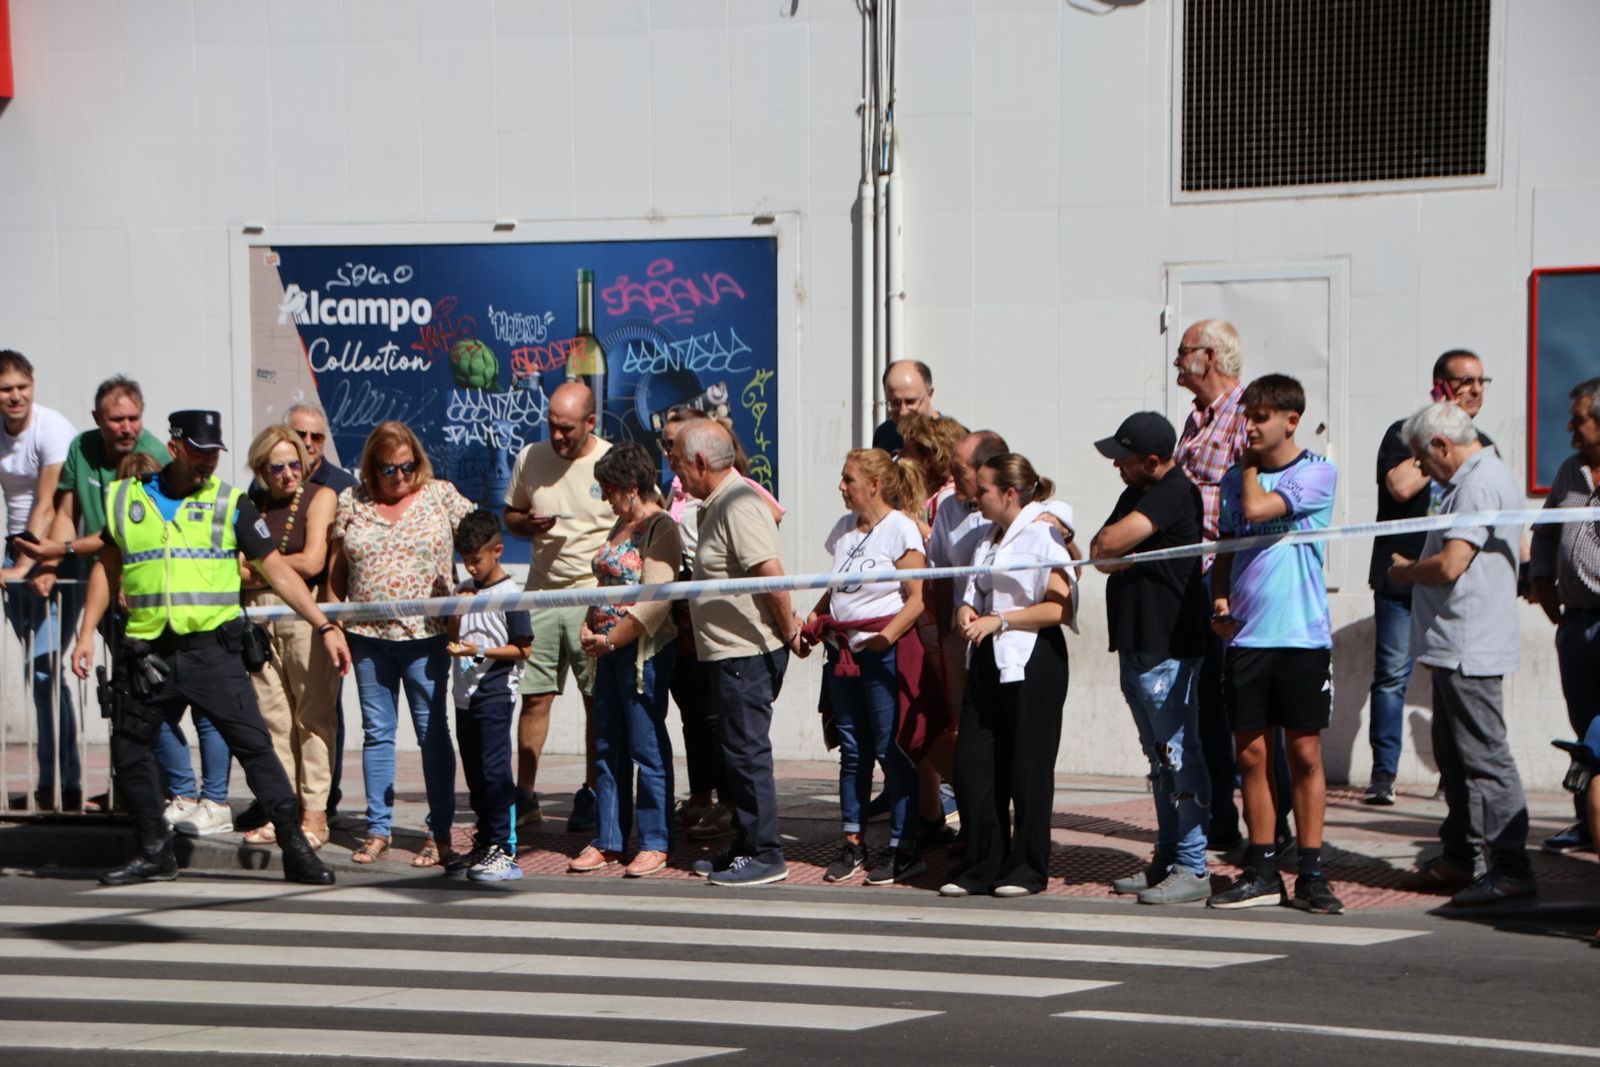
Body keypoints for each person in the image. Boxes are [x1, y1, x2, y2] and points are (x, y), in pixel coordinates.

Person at [68, 409, 344, 886]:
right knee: (130, 752)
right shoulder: (126, 498)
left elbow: (278, 571)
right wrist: (85, 634)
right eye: (198, 451)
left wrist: (323, 625)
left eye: (214, 452)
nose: (208, 461)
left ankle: (296, 849)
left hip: (211, 653)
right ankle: (155, 852)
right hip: (148, 655)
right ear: (173, 447)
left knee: (256, 749)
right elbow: (107, 567)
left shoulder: (230, 503)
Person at [1207, 374, 1342, 914]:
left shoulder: (1317, 472)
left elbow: (1261, 510)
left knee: (1304, 752)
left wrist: (1246, 467)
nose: (1250, 427)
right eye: (1247, 416)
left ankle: (1311, 871)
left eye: (1260, 417)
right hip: (1247, 636)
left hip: (1301, 636)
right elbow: (1225, 548)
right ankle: (1262, 868)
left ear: (1291, 420)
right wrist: (1219, 600)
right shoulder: (1233, 483)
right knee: (1251, 755)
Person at [1391, 402, 1535, 906]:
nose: (1421, 467)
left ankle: (1511, 867)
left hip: (1470, 646)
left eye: (1422, 457)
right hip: (1455, 644)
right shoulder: (1475, 479)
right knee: (1455, 759)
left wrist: (1406, 571)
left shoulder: (1478, 483)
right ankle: (1460, 856)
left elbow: (1452, 564)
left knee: (1484, 758)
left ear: (1441, 445)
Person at [15, 375, 168, 813]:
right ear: (97, 418)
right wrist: (51, 563)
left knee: (148, 691)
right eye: (116, 419)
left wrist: (59, 551)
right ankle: (127, 787)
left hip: (143, 591)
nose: (126, 428)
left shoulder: (153, 456)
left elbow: (123, 534)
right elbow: (67, 513)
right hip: (101, 584)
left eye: (133, 418)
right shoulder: (81, 448)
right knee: (120, 690)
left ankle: (158, 790)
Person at [329, 420, 469, 867]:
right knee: (377, 733)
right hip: (368, 637)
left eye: (407, 467)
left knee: (432, 733)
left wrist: (471, 597)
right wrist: (332, 626)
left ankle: (439, 832)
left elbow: (482, 539)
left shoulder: (440, 495)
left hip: (426, 637)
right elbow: (336, 573)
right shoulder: (351, 501)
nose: (400, 477)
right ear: (371, 468)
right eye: (389, 469)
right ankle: (377, 829)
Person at [1363, 348, 1499, 805]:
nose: (1475, 390)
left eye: (1481, 382)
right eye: (1465, 381)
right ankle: (1383, 775)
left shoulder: (1483, 445)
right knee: (1391, 676)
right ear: (1440, 386)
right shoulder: (1404, 434)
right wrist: (1437, 435)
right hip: (1401, 579)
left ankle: (1452, 775)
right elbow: (1401, 486)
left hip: (1452, 583)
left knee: (1448, 678)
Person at [673, 419, 804, 887]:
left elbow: (771, 576)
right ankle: (747, 843)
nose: (675, 473)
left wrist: (790, 633)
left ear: (700, 462)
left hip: (746, 656)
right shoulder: (714, 504)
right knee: (734, 755)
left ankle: (766, 853)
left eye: (678, 463)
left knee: (747, 756)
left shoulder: (738, 503)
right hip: (727, 656)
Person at [940, 453, 1075, 899]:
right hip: (986, 657)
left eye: (983, 491)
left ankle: (1027, 867)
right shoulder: (988, 538)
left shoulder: (1043, 534)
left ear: (1009, 493)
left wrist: (1001, 620)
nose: (975, 498)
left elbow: (1059, 607)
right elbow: (976, 591)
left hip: (1033, 658)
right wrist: (967, 609)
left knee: (1028, 768)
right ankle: (983, 863)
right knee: (974, 765)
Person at [1091, 412, 1212, 905]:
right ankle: (1167, 855)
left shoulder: (1173, 492)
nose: (1117, 465)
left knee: (1179, 756)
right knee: (1160, 759)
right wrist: (1111, 552)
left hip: (1167, 648)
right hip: (1137, 642)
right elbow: (1099, 553)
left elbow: (1110, 544)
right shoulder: (1136, 493)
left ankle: (1193, 864)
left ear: (1154, 460)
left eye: (1125, 457)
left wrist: (1113, 552)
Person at [799, 448, 931, 886]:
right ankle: (852, 841)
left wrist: (885, 638)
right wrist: (812, 622)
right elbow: (836, 589)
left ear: (874, 485)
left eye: (848, 479)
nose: (841, 486)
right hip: (844, 654)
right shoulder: (843, 529)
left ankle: (903, 847)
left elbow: (917, 598)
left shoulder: (900, 528)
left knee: (892, 748)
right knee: (853, 750)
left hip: (882, 653)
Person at [503, 381, 614, 833]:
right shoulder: (530, 457)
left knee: (597, 702)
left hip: (593, 597)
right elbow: (510, 514)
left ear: (591, 422)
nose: (557, 435)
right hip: (541, 595)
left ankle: (592, 792)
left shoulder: (609, 461)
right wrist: (527, 524)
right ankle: (525, 795)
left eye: (567, 428)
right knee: (534, 698)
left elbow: (641, 516)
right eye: (551, 425)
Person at [570, 443, 683, 878]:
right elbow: (605, 584)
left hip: (640, 654)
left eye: (610, 488)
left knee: (645, 746)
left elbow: (656, 599)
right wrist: (589, 625)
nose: (605, 497)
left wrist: (613, 639)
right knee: (607, 744)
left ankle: (655, 841)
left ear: (632, 486)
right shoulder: (621, 524)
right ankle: (609, 838)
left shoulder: (661, 528)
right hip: (608, 651)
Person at [239, 425, 338, 851]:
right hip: (258, 616)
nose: (287, 474)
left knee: (312, 716)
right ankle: (282, 811)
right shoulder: (251, 504)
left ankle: (315, 814)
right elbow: (236, 567)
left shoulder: (320, 496)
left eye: (294, 463)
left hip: (302, 611)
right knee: (272, 720)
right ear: (261, 469)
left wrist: (260, 566)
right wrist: (269, 568)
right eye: (276, 467)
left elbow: (313, 562)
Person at [0, 350, 82, 810]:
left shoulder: (51, 429)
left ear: (33, 385)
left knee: (45, 669)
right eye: (5, 389)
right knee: (41, 675)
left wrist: (26, 565)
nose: (15, 396)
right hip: (14, 551)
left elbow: (48, 504)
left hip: (54, 555)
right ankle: (55, 780)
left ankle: (63, 781)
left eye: (21, 387)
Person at [1530, 378, 1600, 856]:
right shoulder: (1570, 472)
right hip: (1576, 624)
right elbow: (1546, 533)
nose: (1570, 428)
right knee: (1584, 730)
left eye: (1580, 420)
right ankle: (1586, 822)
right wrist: (1541, 582)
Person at [444, 510, 533, 883]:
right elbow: (453, 635)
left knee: (496, 771)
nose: (471, 567)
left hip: (495, 692)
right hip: (464, 695)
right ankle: (485, 841)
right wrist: (456, 613)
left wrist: (477, 651)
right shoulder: (465, 590)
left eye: (476, 559)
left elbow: (523, 648)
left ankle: (504, 848)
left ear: (498, 551)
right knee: (475, 773)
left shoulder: (511, 595)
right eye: (465, 559)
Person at [282, 402, 356, 821]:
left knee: (322, 710)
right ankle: (283, 797)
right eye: (300, 434)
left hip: (324, 612)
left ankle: (325, 799)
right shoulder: (267, 481)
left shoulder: (341, 485)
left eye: (316, 436)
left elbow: (327, 563)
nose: (308, 443)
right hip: (278, 612)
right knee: (280, 712)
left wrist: (336, 621)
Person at [871, 360, 940, 455]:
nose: (903, 412)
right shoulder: (884, 433)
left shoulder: (952, 440)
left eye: (910, 402)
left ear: (929, 394)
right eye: (895, 403)